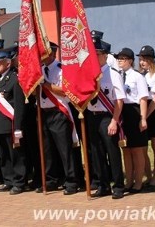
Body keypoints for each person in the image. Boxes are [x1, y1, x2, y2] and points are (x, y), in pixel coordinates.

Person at [86, 39, 126, 199]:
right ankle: (103, 185)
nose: (94, 57)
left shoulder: (112, 74)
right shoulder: (89, 74)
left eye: (97, 54)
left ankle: (118, 186)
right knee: (96, 152)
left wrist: (114, 121)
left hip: (107, 117)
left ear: (105, 55)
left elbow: (119, 100)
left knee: (112, 152)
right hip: (91, 116)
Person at [38, 42, 79, 195]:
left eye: (46, 52)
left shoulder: (61, 69)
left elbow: (64, 92)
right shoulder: (40, 70)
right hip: (44, 112)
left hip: (59, 112)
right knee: (48, 150)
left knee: (64, 150)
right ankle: (51, 180)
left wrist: (46, 84)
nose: (43, 55)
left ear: (53, 53)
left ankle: (71, 181)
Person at [0, 50, 26, 195]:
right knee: (3, 155)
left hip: (10, 123)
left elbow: (19, 105)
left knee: (15, 155)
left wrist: (18, 127)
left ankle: (19, 182)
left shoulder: (14, 79)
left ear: (8, 63)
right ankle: (8, 180)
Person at [115, 47, 149, 194]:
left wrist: (143, 118)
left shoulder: (137, 77)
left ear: (130, 61)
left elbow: (142, 99)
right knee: (126, 149)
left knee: (136, 149)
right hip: (122, 112)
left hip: (134, 111)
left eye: (122, 59)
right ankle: (128, 181)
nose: (119, 61)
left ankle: (138, 182)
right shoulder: (117, 75)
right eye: (118, 59)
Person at [138, 45, 155, 189]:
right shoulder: (141, 76)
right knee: (143, 147)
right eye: (141, 60)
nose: (142, 62)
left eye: (144, 60)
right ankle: (147, 175)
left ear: (151, 60)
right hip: (143, 109)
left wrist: (145, 116)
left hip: (153, 112)